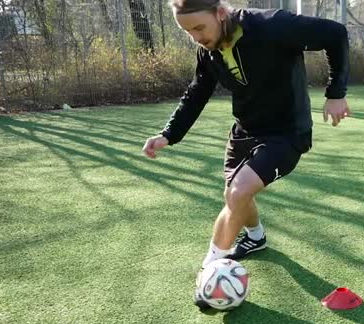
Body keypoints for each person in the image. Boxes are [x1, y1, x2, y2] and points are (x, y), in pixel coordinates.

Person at [141, 0, 350, 306]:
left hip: (286, 133)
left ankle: (209, 274)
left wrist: (336, 94)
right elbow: (198, 91)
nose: (196, 37)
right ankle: (255, 237)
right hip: (245, 131)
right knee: (235, 196)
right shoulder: (208, 50)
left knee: (238, 193)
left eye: (199, 27)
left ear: (220, 13)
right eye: (187, 32)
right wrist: (168, 135)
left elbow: (335, 33)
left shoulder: (271, 25)